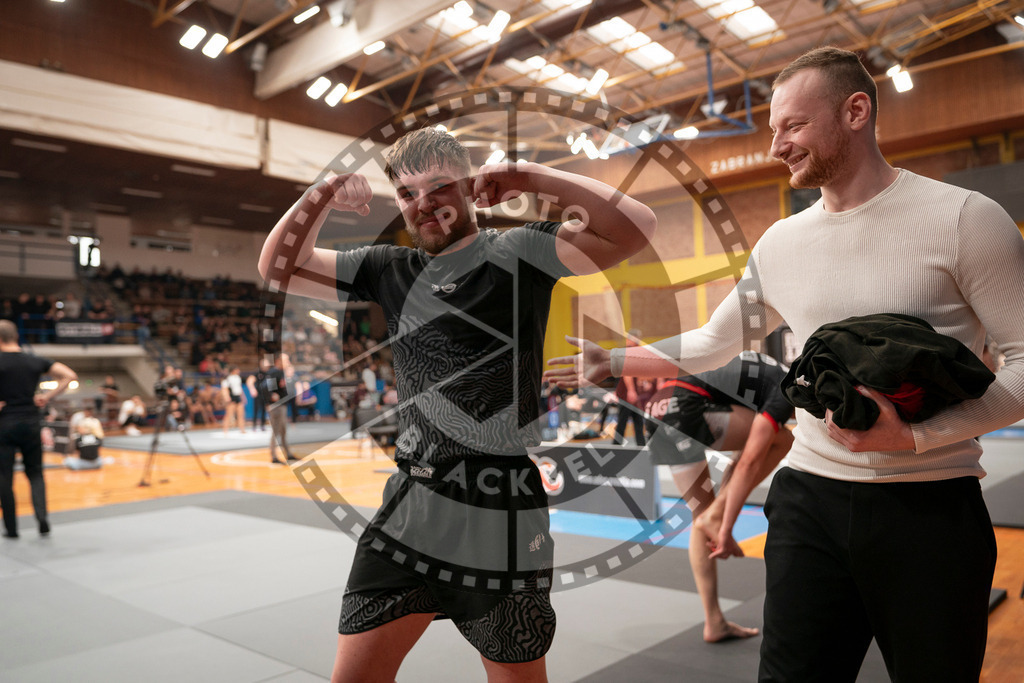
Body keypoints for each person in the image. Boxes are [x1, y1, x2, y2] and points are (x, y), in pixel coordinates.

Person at [545, 46, 1024, 682]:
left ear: (856, 111)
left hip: (930, 508)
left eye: (793, 126)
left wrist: (916, 436)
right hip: (808, 502)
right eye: (773, 130)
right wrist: (614, 360)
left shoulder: (966, 219)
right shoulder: (781, 242)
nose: (777, 147)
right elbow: (715, 341)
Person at [258, 126, 656, 683]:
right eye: (407, 193)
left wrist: (531, 177)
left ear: (469, 187)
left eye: (440, 186)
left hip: (500, 506)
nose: (424, 203)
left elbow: (636, 228)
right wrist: (320, 195)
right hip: (411, 504)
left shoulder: (520, 251)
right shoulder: (388, 268)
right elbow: (278, 267)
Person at [644, 351, 794, 643]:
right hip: (684, 406)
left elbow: (742, 460)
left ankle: (714, 622)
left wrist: (719, 514)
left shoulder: (766, 384)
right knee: (783, 438)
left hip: (656, 409)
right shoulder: (785, 391)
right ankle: (713, 517)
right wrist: (725, 524)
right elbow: (749, 462)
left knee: (700, 518)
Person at [0, 319, 78, 538]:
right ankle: (42, 520)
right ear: (16, 336)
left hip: (4, 424)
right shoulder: (34, 360)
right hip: (31, 423)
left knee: (4, 477)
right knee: (35, 473)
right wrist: (46, 397)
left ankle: (11, 528)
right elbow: (70, 375)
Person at [255, 354, 298, 465]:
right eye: (286, 360)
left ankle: (288, 453)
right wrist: (271, 397)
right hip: (276, 406)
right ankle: (274, 456)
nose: (287, 362)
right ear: (279, 361)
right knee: (276, 431)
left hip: (282, 405)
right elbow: (265, 387)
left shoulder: (280, 372)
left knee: (283, 431)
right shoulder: (274, 372)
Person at [221, 366, 247, 434]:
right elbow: (225, 389)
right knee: (229, 414)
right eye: (237, 370)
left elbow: (239, 389)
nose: (239, 371)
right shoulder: (227, 379)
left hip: (238, 396)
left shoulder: (238, 378)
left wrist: (243, 397)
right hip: (232, 397)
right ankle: (225, 430)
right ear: (233, 370)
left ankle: (242, 429)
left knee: (241, 414)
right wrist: (227, 397)